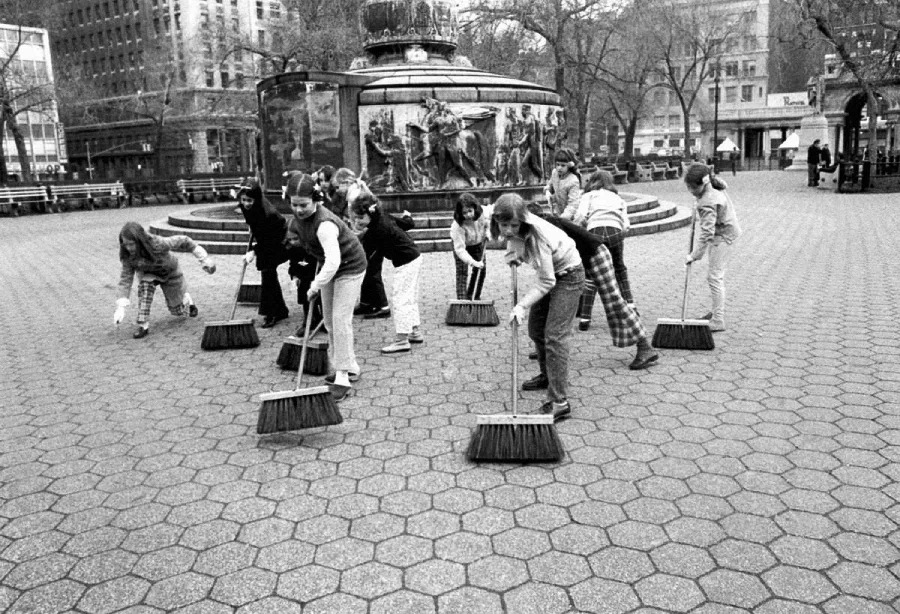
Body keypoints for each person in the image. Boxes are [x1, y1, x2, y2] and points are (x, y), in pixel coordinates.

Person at [491, 193, 585, 421]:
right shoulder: (510, 226)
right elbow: (515, 242)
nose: (509, 230)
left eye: (514, 225)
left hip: (569, 276)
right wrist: (513, 255)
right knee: (535, 330)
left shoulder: (538, 236)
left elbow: (547, 281)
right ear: (497, 220)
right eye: (504, 225)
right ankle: (547, 375)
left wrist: (521, 306)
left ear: (523, 220)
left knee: (555, 336)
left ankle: (559, 401)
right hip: (552, 274)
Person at [283, 173, 367, 400]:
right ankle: (351, 366)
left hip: (350, 267)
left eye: (304, 205)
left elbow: (333, 261)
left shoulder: (325, 225)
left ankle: (342, 376)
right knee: (329, 321)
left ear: (315, 199)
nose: (299, 209)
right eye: (294, 204)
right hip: (329, 267)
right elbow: (312, 251)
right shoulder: (297, 221)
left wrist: (314, 286)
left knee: (340, 320)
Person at [545, 216, 658, 370]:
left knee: (614, 301)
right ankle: (545, 345)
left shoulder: (549, 225)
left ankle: (645, 347)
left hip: (595, 255)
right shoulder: (545, 223)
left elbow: (566, 250)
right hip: (585, 257)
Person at [348, 183, 424, 354]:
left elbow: (368, 256)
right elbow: (405, 224)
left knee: (400, 299)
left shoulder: (376, 230)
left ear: (371, 213)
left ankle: (402, 340)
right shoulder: (383, 217)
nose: (357, 222)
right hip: (413, 257)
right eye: (355, 218)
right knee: (409, 296)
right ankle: (414, 331)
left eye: (360, 218)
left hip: (406, 261)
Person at [114, 222, 216, 339]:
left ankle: (187, 299)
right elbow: (125, 279)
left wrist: (203, 258)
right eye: (125, 244)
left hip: (170, 272)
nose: (129, 248)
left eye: (132, 244)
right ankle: (143, 325)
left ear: (140, 240)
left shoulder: (157, 244)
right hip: (149, 274)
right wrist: (121, 307)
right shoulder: (128, 256)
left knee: (177, 312)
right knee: (145, 287)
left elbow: (184, 240)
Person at [561, 169, 634, 331]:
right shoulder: (617, 198)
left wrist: (580, 231)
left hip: (595, 233)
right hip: (616, 232)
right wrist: (618, 235)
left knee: (591, 274)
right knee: (619, 269)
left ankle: (585, 318)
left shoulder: (588, 196)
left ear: (592, 182)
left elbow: (580, 216)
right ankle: (631, 305)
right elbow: (626, 224)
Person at [683, 164, 742, 333]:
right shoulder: (712, 189)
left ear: (703, 183)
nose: (690, 191)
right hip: (726, 233)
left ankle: (718, 320)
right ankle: (716, 314)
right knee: (714, 276)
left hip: (723, 237)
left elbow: (707, 233)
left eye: (692, 188)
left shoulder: (707, 200)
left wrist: (694, 255)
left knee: (714, 277)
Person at [236, 179, 290, 328]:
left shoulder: (268, 215)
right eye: (244, 200)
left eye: (250, 200)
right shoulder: (247, 207)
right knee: (269, 272)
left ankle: (271, 313)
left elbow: (270, 241)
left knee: (267, 273)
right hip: (266, 239)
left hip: (280, 241)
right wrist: (252, 227)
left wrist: (253, 251)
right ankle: (280, 310)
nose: (246, 203)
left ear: (257, 199)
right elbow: (254, 223)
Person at [449, 192, 490, 300]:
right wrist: (473, 262)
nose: (468, 215)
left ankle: (474, 297)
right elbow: (460, 250)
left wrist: (488, 232)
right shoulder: (457, 226)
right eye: (464, 212)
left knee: (481, 270)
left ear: (474, 208)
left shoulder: (482, 213)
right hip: (462, 246)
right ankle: (462, 302)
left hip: (478, 244)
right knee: (462, 274)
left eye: (470, 211)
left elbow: (488, 222)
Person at [546, 147, 582, 217]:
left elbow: (573, 204)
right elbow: (550, 185)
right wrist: (548, 191)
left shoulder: (573, 181)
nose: (559, 168)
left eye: (563, 165)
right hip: (559, 212)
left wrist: (563, 219)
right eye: (557, 164)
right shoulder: (555, 173)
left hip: (571, 216)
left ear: (569, 166)